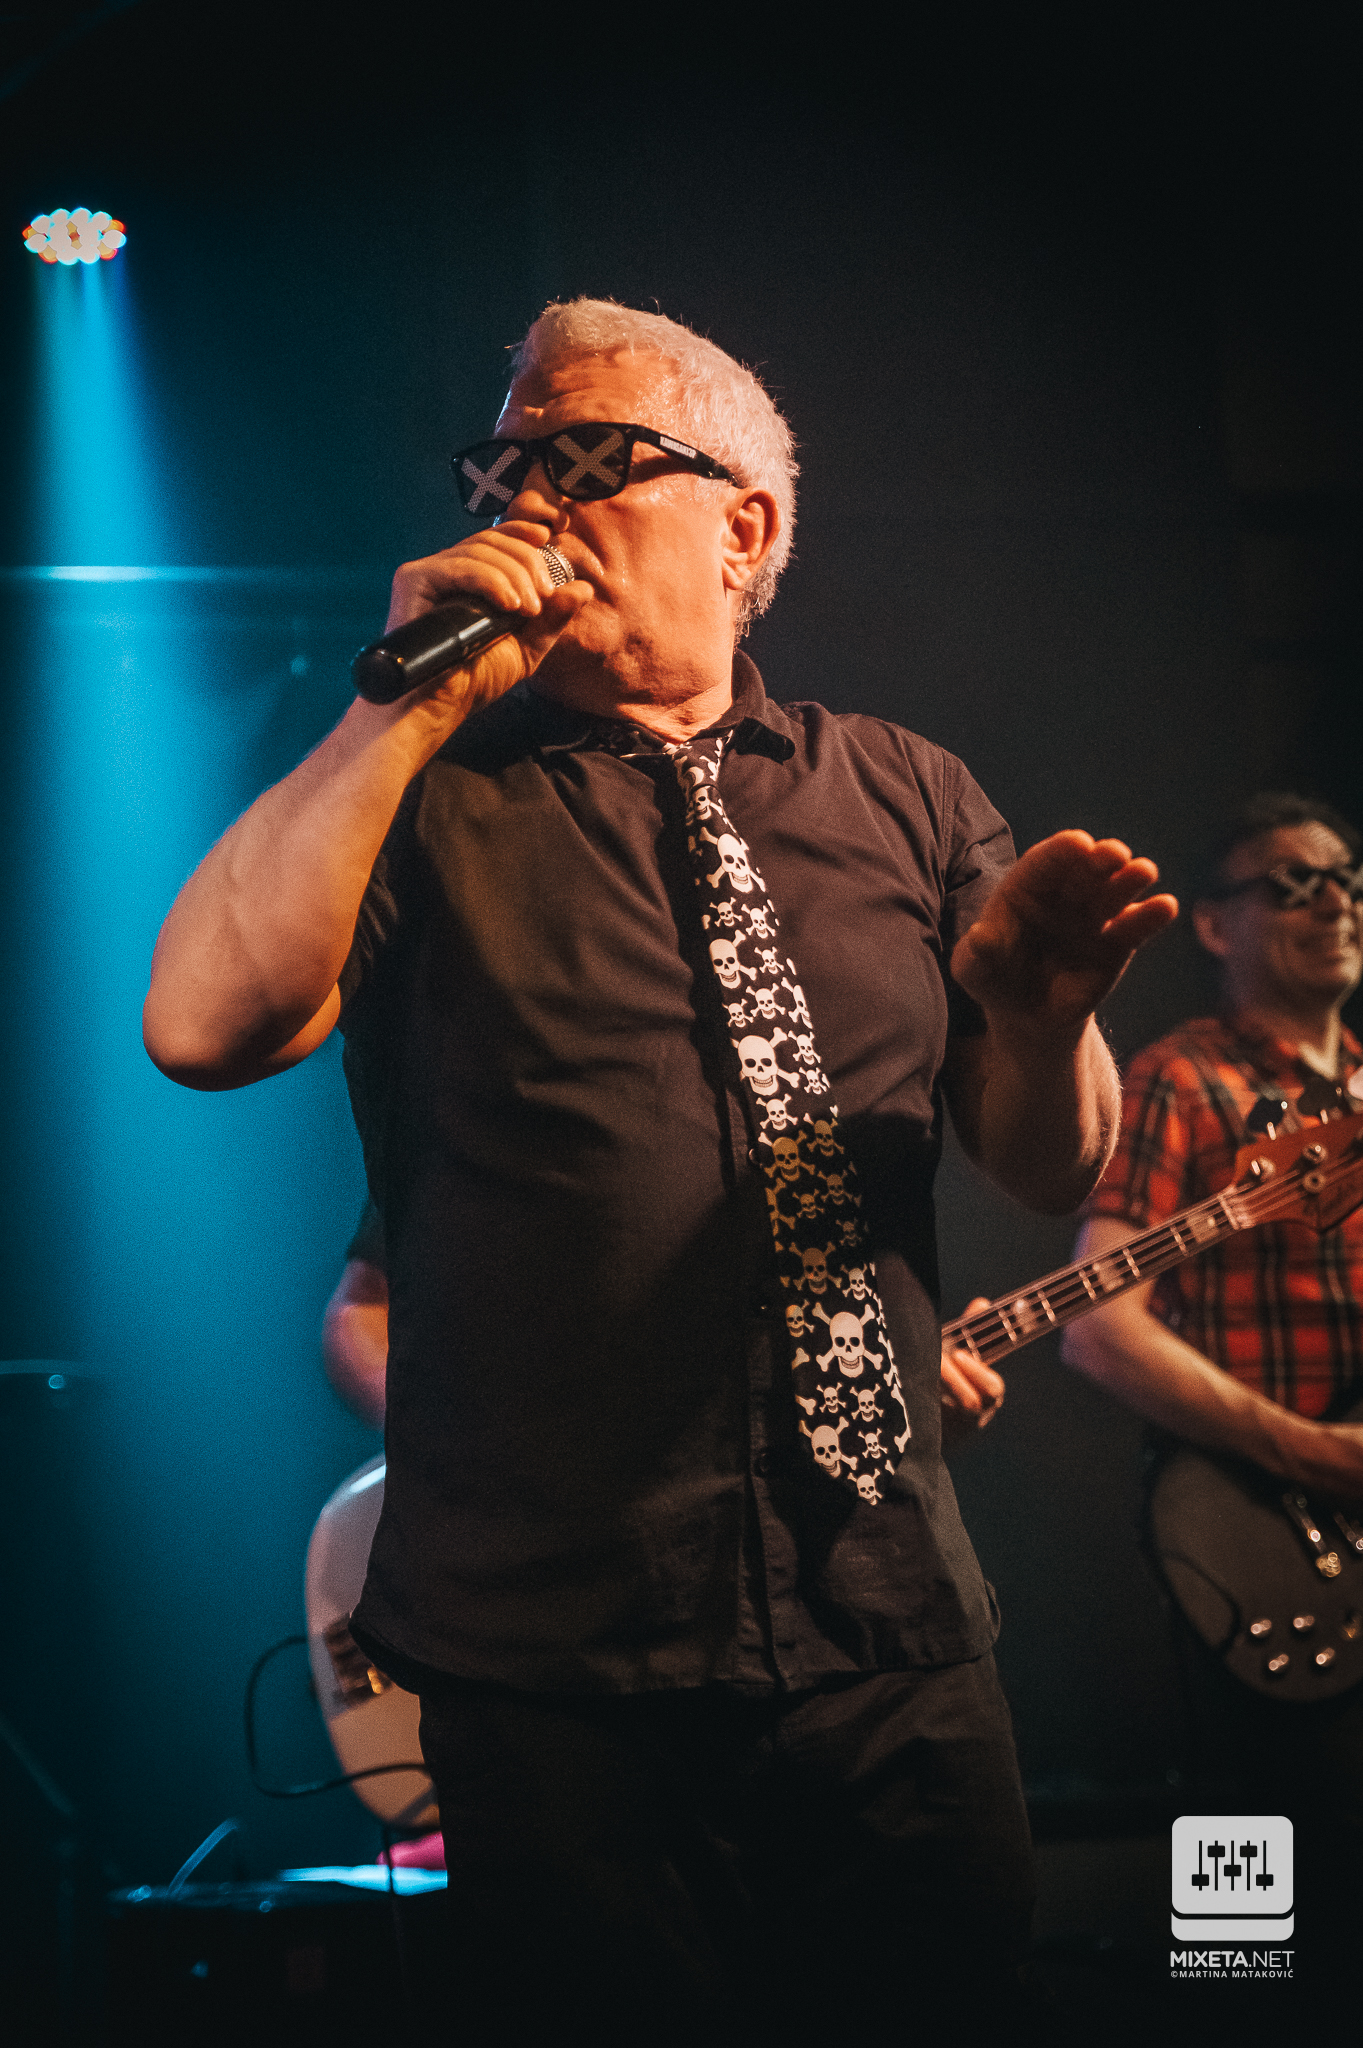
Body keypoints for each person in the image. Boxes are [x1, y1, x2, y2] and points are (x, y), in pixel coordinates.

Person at [144, 299, 1175, 2040]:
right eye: (499, 468)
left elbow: (1039, 1156)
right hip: (554, 1667)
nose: (524, 500)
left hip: (885, 1627)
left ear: (740, 527)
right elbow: (199, 1026)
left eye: (585, 459)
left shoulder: (904, 790)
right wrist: (403, 703)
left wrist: (1041, 1009)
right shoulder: (426, 796)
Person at [1059, 793, 1363, 1906]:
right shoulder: (1181, 1076)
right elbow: (1099, 1328)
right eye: (1290, 883)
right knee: (1258, 1892)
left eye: (1344, 878)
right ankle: (1232, 1987)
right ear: (1213, 923)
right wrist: (1315, 1453)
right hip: (1262, 1534)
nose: (1332, 901)